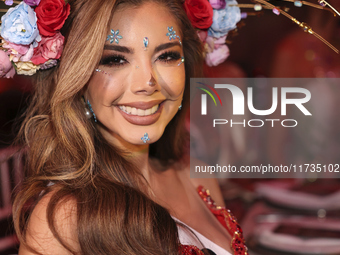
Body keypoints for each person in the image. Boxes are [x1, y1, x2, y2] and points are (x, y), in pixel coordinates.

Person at [4, 0, 247, 254]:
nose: (147, 82)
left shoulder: (195, 175)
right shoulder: (62, 219)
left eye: (167, 56)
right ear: (78, 76)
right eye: (115, 60)